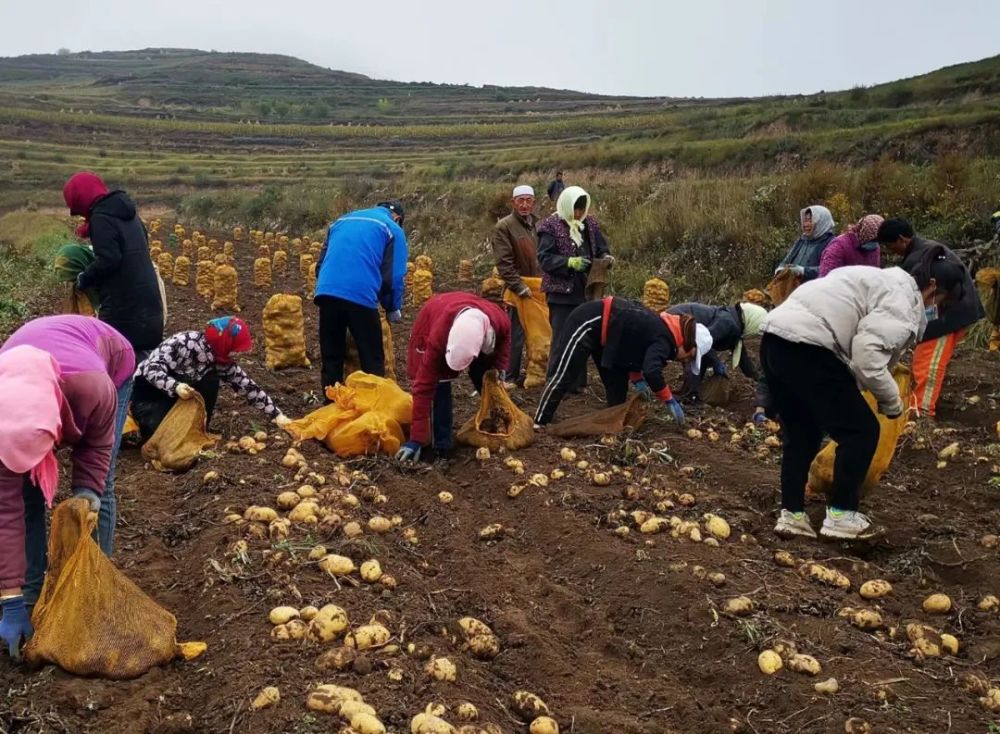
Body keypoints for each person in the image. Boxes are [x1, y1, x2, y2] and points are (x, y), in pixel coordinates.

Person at [760, 256, 967, 541]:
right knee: (862, 431)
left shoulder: (879, 278)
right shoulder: (903, 302)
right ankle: (842, 516)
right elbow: (867, 357)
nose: (936, 311)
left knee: (803, 434)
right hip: (810, 346)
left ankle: (792, 515)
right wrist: (892, 402)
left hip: (775, 340)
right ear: (932, 287)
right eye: (940, 303)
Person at [0, 316, 136, 657]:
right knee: (24, 497)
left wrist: (86, 492)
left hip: (105, 359)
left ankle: (92, 595)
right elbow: (6, 516)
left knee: (100, 490)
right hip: (27, 371)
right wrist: (11, 600)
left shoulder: (94, 390)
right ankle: (30, 600)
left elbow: (96, 451)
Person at [63, 172, 164, 555]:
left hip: (125, 320)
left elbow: (110, 258)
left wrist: (85, 276)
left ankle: (103, 450)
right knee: (123, 386)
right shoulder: (124, 213)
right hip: (147, 315)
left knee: (113, 398)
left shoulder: (105, 218)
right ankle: (118, 429)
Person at [534, 297, 706, 427]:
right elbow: (652, 371)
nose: (686, 360)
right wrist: (669, 399)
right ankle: (540, 422)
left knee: (617, 391)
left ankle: (610, 424)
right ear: (689, 342)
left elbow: (633, 350)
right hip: (589, 322)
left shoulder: (664, 335)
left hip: (611, 339)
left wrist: (637, 379)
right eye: (691, 356)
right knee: (566, 374)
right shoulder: (666, 339)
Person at [877, 218, 984, 418]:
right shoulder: (922, 251)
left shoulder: (920, 258)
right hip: (944, 313)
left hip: (947, 317)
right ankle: (920, 408)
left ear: (902, 239)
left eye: (889, 246)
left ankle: (922, 415)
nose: (889, 251)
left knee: (927, 364)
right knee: (923, 361)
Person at [131, 317, 290, 441]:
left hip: (177, 400)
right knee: (158, 435)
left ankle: (198, 430)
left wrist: (276, 415)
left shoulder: (221, 360)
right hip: (149, 396)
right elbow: (151, 369)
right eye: (234, 348)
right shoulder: (183, 342)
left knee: (210, 381)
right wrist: (175, 386)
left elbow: (247, 386)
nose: (234, 354)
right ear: (224, 341)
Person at [396, 293, 511, 464]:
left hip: (468, 317)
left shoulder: (499, 319)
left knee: (488, 376)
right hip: (434, 315)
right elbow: (423, 387)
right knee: (439, 387)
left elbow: (504, 343)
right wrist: (416, 439)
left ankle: (495, 416)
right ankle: (441, 446)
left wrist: (500, 368)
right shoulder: (437, 339)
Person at [314, 200, 409, 391]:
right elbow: (393, 276)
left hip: (326, 292)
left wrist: (331, 287)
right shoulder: (392, 228)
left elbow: (320, 265)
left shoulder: (342, 221)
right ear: (397, 218)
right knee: (372, 357)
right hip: (361, 295)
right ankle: (373, 407)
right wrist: (391, 307)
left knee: (332, 355)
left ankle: (330, 404)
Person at [537, 186, 612, 391]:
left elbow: (602, 247)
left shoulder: (589, 223)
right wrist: (569, 262)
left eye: (581, 210)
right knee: (562, 338)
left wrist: (605, 258)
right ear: (567, 206)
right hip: (561, 294)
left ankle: (576, 383)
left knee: (582, 338)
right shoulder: (550, 226)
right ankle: (556, 382)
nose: (578, 214)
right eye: (575, 210)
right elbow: (544, 258)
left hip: (585, 291)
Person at [490, 184, 540, 386]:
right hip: (518, 289)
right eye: (521, 200)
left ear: (534, 203)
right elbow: (504, 263)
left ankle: (533, 372)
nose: (525, 204)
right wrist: (518, 286)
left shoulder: (537, 225)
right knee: (515, 334)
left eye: (529, 200)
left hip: (538, 287)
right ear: (513, 202)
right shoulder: (504, 226)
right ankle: (509, 376)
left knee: (537, 332)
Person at [667, 302, 769, 396]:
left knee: (702, 357)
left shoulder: (734, 324)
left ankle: (690, 391)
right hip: (678, 320)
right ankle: (690, 394)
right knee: (697, 355)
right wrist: (716, 363)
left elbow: (744, 360)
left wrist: (760, 379)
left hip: (685, 323)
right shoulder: (727, 322)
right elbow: (703, 341)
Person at [775, 205, 836, 281]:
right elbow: (787, 259)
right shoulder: (802, 240)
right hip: (793, 286)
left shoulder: (832, 243)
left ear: (821, 222)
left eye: (810, 221)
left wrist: (803, 271)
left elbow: (828, 270)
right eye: (805, 220)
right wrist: (780, 268)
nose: (805, 225)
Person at [818, 214, 884, 277]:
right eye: (873, 240)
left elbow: (874, 273)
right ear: (865, 233)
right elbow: (826, 274)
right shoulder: (839, 246)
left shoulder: (875, 248)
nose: (875, 243)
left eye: (878, 241)